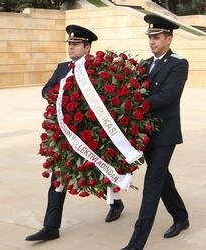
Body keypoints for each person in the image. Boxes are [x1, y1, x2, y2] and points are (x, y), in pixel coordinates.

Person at [26, 25, 125, 242]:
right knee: (58, 175)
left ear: (87, 47)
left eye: (75, 44)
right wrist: (56, 96)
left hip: (92, 133)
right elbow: (47, 89)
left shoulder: (97, 69)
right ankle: (51, 226)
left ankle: (115, 202)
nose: (71, 48)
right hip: (66, 133)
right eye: (69, 44)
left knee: (105, 168)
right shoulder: (63, 68)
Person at [122, 14, 190, 250]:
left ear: (169, 39)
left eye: (157, 37)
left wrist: (137, 105)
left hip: (165, 133)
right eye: (150, 37)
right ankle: (181, 216)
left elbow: (168, 96)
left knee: (152, 183)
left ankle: (136, 243)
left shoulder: (178, 64)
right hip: (145, 132)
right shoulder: (143, 64)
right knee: (162, 178)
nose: (152, 42)